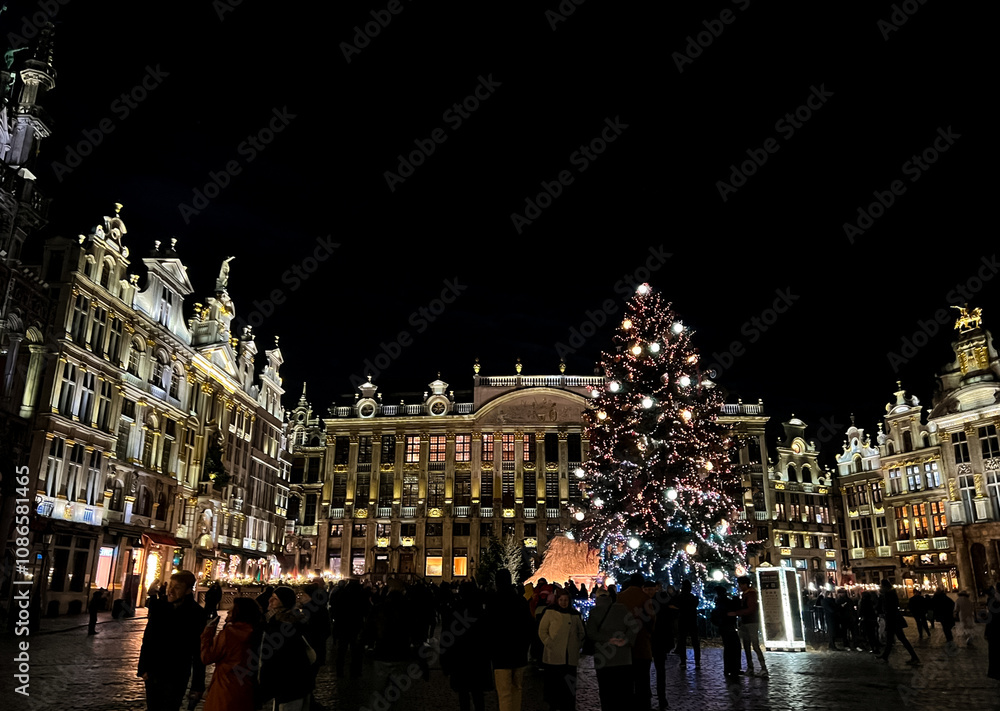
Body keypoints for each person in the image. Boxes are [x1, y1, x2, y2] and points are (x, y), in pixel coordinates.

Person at [137, 570, 208, 711]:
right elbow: (148, 639)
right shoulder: (159, 607)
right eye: (170, 585)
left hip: (177, 674)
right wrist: (143, 668)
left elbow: (198, 651)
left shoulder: (196, 614)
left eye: (177, 587)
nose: (170, 590)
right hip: (153, 672)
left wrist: (197, 685)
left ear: (188, 590)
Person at [485, 569, 535, 711]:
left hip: (500, 656)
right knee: (517, 689)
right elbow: (529, 626)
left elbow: (488, 629)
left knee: (504, 694)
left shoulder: (493, 602)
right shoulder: (520, 601)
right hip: (519, 654)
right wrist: (525, 647)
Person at [200, 597, 261, 711]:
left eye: (231, 610)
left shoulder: (229, 634)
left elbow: (207, 657)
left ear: (238, 613)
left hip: (224, 687)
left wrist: (207, 633)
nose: (228, 612)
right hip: (246, 689)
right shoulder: (256, 632)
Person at [258, 586, 313, 711]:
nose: (270, 601)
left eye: (275, 599)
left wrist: (264, 689)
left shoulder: (283, 627)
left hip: (290, 685)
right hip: (292, 684)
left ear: (284, 602)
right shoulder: (274, 621)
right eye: (271, 597)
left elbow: (273, 658)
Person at [442, 581, 493, 711]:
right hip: (478, 659)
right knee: (478, 694)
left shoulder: (454, 610)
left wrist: (445, 662)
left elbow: (446, 637)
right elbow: (489, 636)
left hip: (460, 659)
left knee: (463, 694)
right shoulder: (481, 611)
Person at [586, 588, 636, 709]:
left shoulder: (594, 612)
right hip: (624, 659)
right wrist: (626, 640)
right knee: (624, 694)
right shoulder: (622, 609)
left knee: (607, 694)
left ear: (596, 598)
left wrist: (608, 639)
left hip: (604, 659)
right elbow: (634, 626)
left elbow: (591, 633)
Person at [538, 589, 585, 711]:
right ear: (557, 600)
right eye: (561, 600)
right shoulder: (550, 612)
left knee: (569, 687)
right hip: (554, 656)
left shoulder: (574, 614)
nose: (564, 603)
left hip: (570, 656)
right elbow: (542, 630)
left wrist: (577, 644)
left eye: (566, 600)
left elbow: (581, 632)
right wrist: (549, 643)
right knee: (555, 685)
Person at [619, 574, 656, 709]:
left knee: (627, 680)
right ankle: (643, 705)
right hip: (641, 643)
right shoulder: (645, 598)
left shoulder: (620, 597)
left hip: (624, 645)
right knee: (642, 679)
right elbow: (651, 620)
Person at [729, 575, 767, 677]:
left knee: (754, 645)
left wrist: (737, 613)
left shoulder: (751, 594)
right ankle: (751, 668)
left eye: (741, 584)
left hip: (751, 622)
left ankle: (763, 668)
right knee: (746, 646)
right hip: (746, 622)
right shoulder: (746, 594)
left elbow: (751, 609)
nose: (740, 586)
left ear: (745, 584)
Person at [879, 579, 920, 666]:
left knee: (901, 639)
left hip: (893, 620)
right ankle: (885, 656)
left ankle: (914, 657)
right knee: (891, 639)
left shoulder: (889, 594)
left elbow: (889, 607)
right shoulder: (890, 593)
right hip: (893, 619)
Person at [650, 582, 675, 707]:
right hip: (660, 640)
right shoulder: (664, 604)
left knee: (645, 671)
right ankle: (661, 697)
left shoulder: (647, 604)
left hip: (651, 640)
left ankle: (648, 697)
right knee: (660, 671)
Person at [711, 587, 741, 682]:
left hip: (723, 627)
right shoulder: (726, 601)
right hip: (729, 626)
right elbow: (735, 607)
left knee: (728, 647)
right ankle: (734, 668)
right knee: (734, 647)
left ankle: (728, 668)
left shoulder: (718, 602)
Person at [671, 579, 699, 668]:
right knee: (695, 642)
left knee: (682, 642)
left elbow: (674, 605)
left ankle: (683, 662)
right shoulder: (694, 598)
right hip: (692, 621)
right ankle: (697, 662)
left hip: (682, 620)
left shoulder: (679, 597)